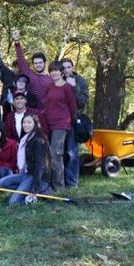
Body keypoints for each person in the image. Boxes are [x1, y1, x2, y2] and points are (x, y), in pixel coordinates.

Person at [0, 114, 54, 205]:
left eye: (29, 122)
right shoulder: (27, 138)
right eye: (24, 122)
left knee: (13, 202)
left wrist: (34, 188)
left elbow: (40, 166)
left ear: (35, 124)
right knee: (2, 182)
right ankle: (24, 192)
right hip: (26, 174)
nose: (26, 125)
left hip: (36, 177)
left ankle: (39, 194)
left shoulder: (39, 140)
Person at [43, 61, 77, 189]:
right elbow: (46, 105)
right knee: (48, 154)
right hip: (48, 123)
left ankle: (59, 186)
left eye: (56, 70)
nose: (54, 73)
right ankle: (49, 184)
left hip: (61, 124)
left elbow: (73, 107)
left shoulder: (67, 87)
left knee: (56, 154)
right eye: (51, 70)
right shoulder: (49, 87)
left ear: (62, 72)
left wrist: (67, 121)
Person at [62, 58, 89, 188]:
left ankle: (72, 183)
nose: (66, 70)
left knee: (72, 152)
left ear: (72, 67)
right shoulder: (57, 80)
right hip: (58, 121)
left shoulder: (80, 81)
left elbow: (82, 102)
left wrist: (74, 87)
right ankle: (60, 181)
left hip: (73, 121)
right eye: (63, 67)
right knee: (59, 152)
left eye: (68, 67)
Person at [13, 30, 53, 108]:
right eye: (36, 63)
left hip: (45, 114)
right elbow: (21, 60)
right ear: (33, 64)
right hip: (29, 113)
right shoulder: (29, 74)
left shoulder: (51, 79)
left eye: (40, 63)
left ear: (45, 63)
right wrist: (17, 42)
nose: (38, 65)